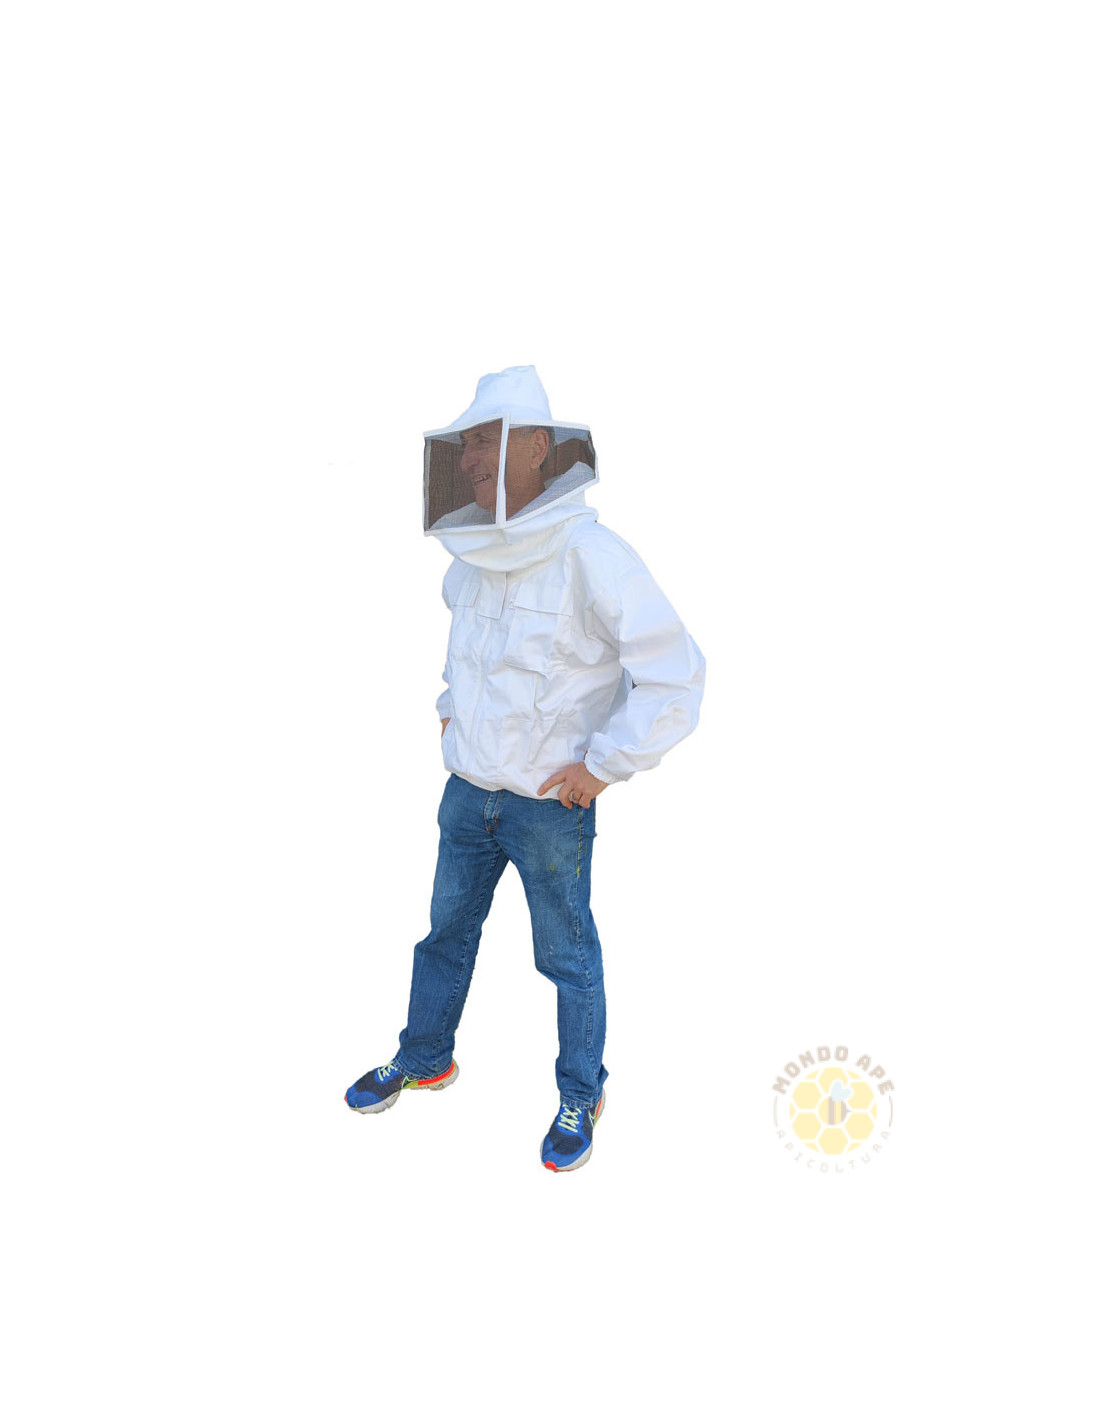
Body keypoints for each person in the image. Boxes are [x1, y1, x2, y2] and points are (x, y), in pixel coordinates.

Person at [345, 367, 705, 1172]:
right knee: (443, 938)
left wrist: (604, 767)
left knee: (567, 958)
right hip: (466, 795)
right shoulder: (474, 556)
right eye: (467, 445)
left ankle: (582, 1092)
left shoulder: (593, 556)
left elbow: (676, 674)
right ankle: (424, 1056)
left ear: (537, 447)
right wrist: (450, 708)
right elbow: (465, 656)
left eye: (486, 442)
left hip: (548, 808)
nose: (470, 460)